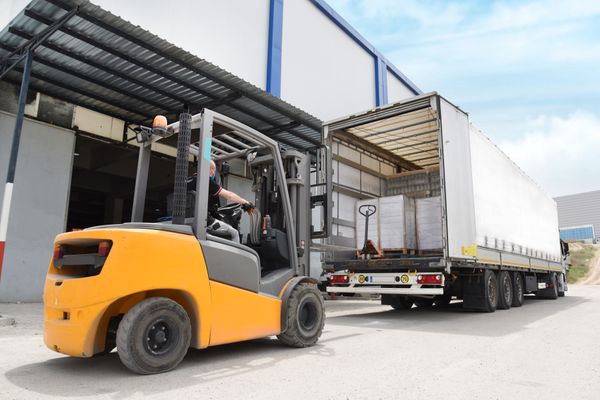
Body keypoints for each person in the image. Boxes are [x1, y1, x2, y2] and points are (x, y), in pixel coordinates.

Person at [205, 160, 252, 242]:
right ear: (209, 169)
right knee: (234, 233)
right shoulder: (206, 182)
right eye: (213, 169)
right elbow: (229, 195)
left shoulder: (191, 180)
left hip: (191, 220)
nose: (213, 173)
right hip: (206, 222)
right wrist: (244, 202)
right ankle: (236, 254)